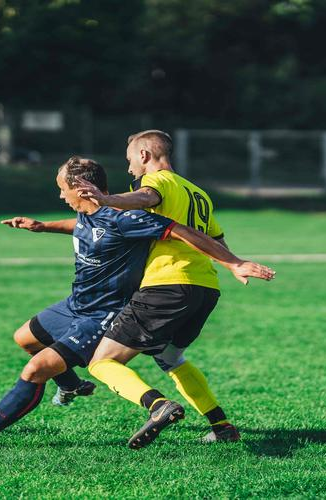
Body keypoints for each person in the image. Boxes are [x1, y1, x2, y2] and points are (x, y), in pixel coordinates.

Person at [0, 156, 273, 449]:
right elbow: (82, 225)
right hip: (75, 304)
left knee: (36, 370)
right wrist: (42, 227)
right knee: (25, 338)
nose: (60, 196)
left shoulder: (125, 219)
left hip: (102, 315)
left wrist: (233, 262)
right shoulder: (89, 215)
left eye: (63, 189)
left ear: (81, 188)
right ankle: (72, 386)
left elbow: (181, 231)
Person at [76, 130, 252, 449]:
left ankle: (158, 406)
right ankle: (222, 426)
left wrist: (107, 198)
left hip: (167, 284)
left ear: (144, 155)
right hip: (204, 288)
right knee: (171, 357)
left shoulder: (157, 183)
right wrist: (233, 264)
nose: (129, 167)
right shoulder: (197, 192)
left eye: (130, 159)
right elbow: (215, 240)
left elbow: (144, 198)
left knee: (101, 362)